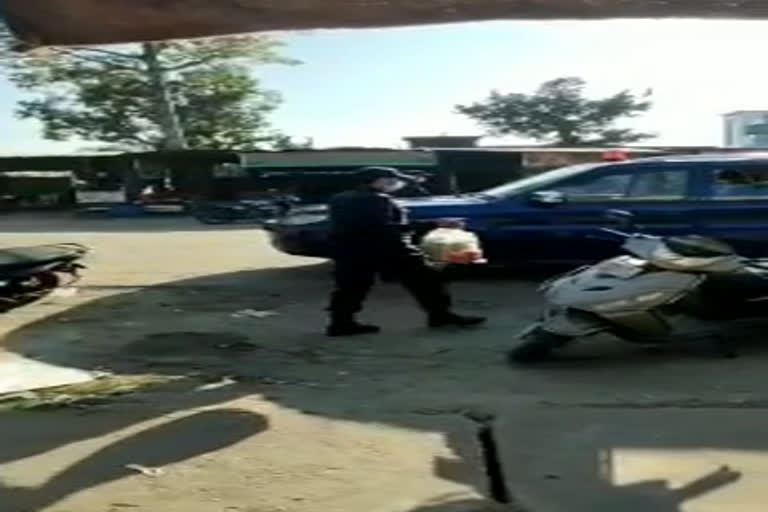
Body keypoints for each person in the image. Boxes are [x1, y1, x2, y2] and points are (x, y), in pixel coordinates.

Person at [326, 166, 486, 337]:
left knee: (351, 286)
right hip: (390, 247)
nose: (395, 184)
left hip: (350, 249)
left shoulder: (339, 198)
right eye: (392, 180)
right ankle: (440, 315)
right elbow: (386, 228)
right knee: (427, 279)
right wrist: (436, 224)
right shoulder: (378, 199)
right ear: (377, 180)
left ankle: (340, 323)